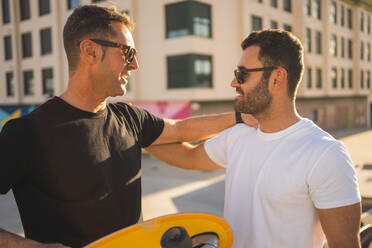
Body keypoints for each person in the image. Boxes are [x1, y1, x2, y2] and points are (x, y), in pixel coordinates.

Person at [0, 5, 257, 248]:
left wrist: (241, 117)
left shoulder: (129, 117)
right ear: (90, 51)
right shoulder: (26, 133)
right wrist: (25, 245)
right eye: (127, 53)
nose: (135, 65)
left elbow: (180, 130)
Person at [147, 29, 362, 248]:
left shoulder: (325, 153)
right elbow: (188, 156)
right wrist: (131, 133)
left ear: (277, 78)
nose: (233, 82)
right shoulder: (240, 134)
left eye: (242, 74)